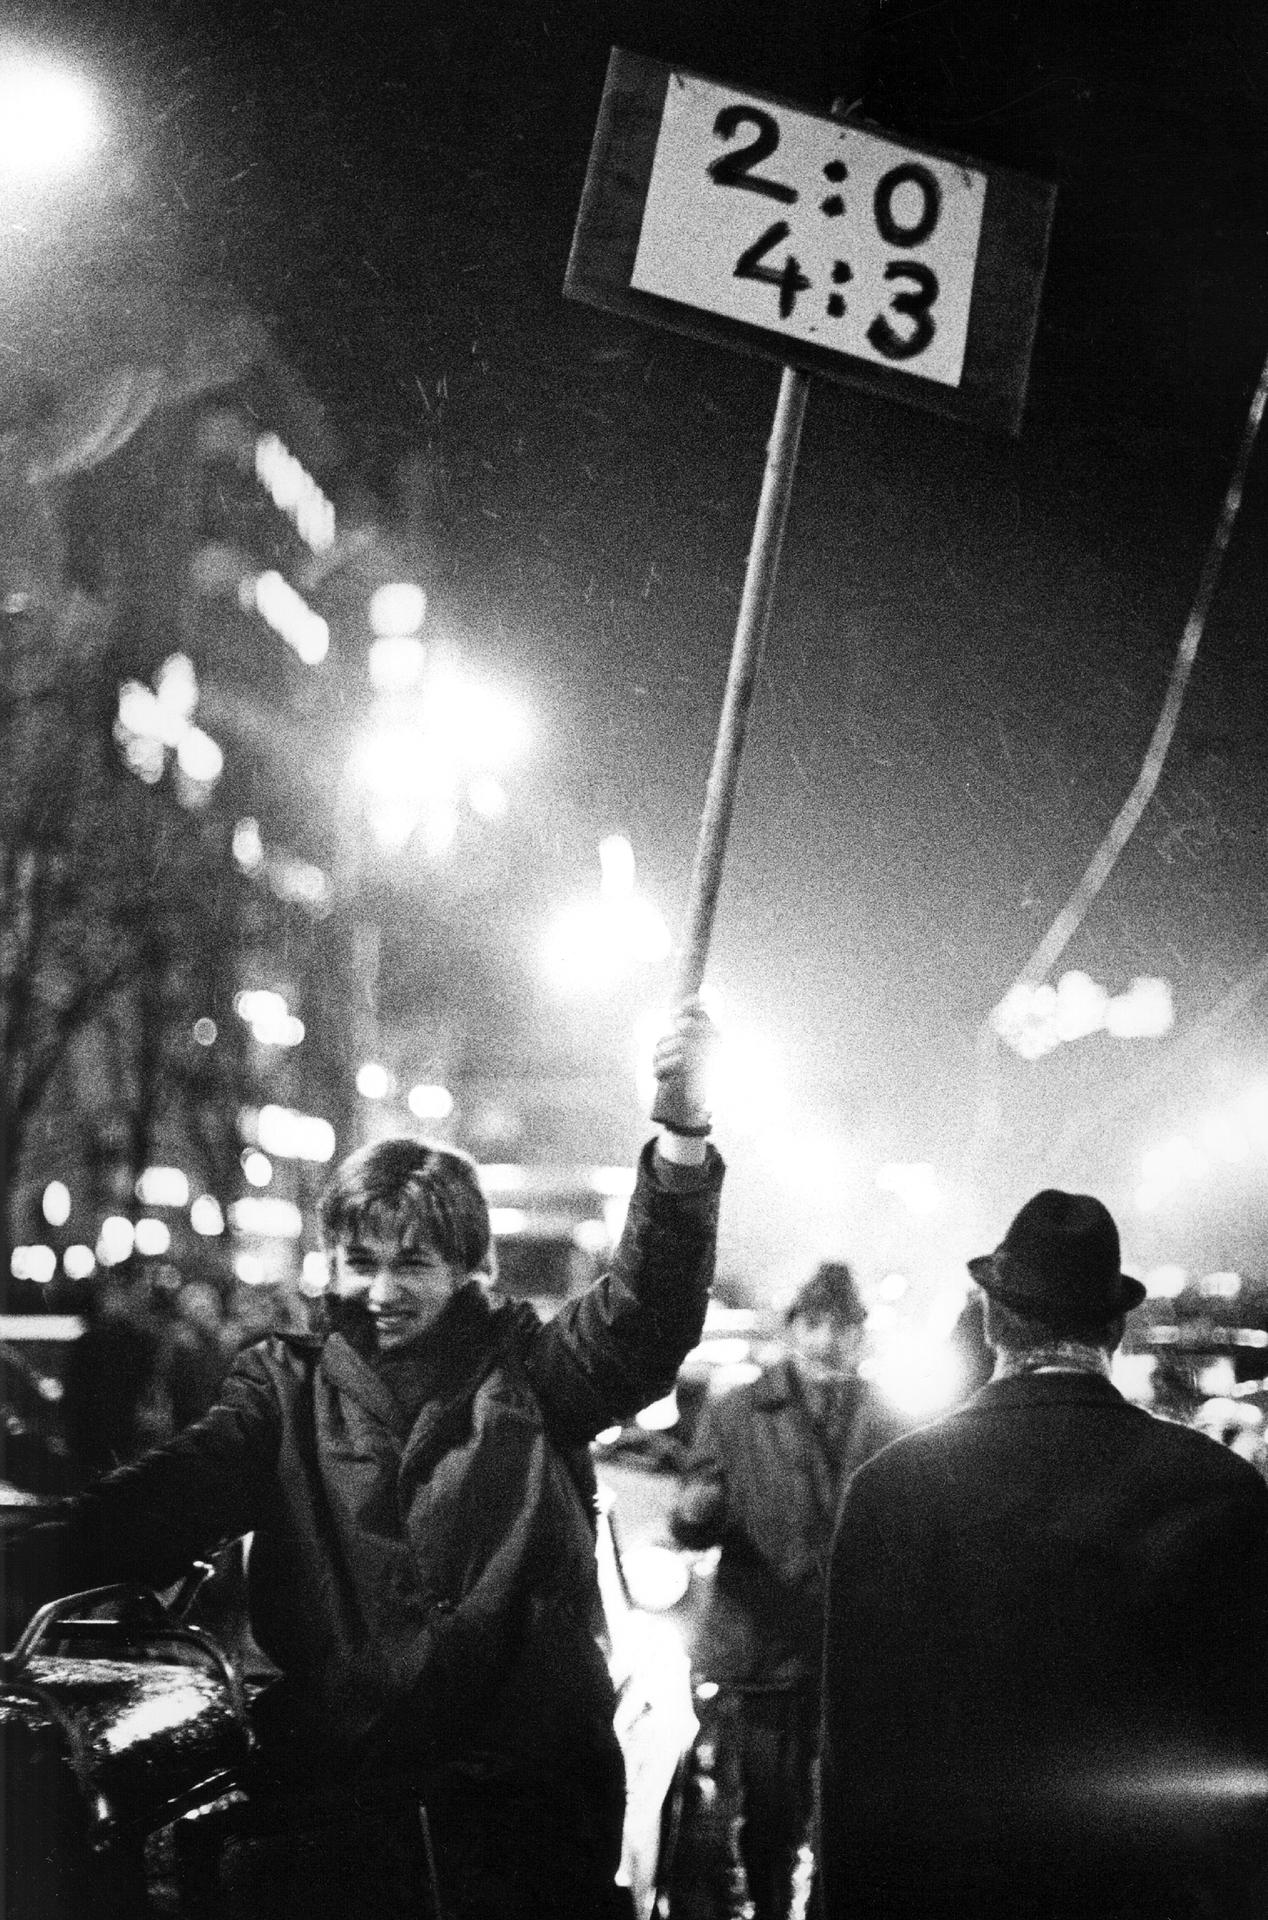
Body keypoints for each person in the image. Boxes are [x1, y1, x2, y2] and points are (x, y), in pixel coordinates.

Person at [3, 1000, 724, 1920]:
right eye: (360, 1261)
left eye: (412, 1264)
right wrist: (37, 1556)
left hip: (524, 1826)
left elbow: (647, 1314)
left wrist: (684, 1138)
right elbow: (170, 1498)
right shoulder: (283, 1389)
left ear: (470, 1268)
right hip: (341, 1822)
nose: (382, 1291)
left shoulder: (535, 1372)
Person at [817, 1189, 1268, 1920]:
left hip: (952, 1893)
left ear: (993, 1322)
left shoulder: (892, 1490)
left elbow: (857, 1762)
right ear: (1115, 1329)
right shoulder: (1215, 1488)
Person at [669, 1259, 907, 1920]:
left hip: (854, 1652)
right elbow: (695, 1522)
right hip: (765, 1644)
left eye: (843, 1326)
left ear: (861, 1335)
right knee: (769, 1813)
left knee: (848, 1812)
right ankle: (770, 1909)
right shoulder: (739, 1410)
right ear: (794, 1327)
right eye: (816, 1323)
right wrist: (697, 1508)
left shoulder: (889, 1415)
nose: (829, 1340)